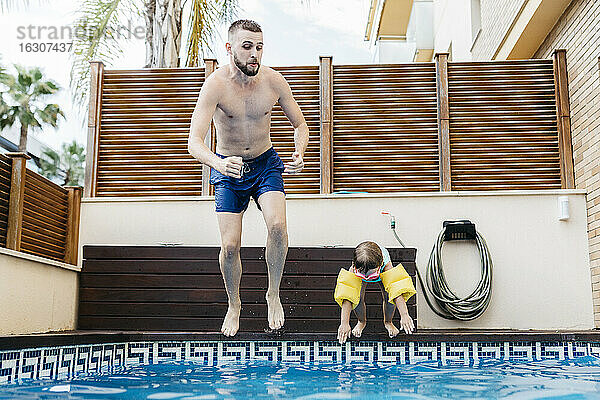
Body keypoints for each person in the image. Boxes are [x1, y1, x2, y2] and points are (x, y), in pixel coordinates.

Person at [187, 19, 309, 337]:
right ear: (230, 48)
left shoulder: (274, 81)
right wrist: (218, 162)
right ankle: (235, 304)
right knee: (230, 246)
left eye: (259, 46)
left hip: (265, 164)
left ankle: (272, 294)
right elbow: (194, 143)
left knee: (279, 227)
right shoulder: (215, 85)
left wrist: (300, 150)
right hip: (228, 169)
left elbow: (300, 124)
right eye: (247, 46)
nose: (255, 54)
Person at [335, 241, 416, 344]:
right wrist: (344, 323)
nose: (367, 278)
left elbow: (396, 292)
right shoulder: (355, 268)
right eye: (363, 275)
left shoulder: (386, 266)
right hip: (366, 266)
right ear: (354, 266)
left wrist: (404, 315)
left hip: (380, 271)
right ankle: (361, 322)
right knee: (357, 297)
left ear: (380, 265)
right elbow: (348, 296)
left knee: (389, 296)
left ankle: (388, 322)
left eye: (371, 276)